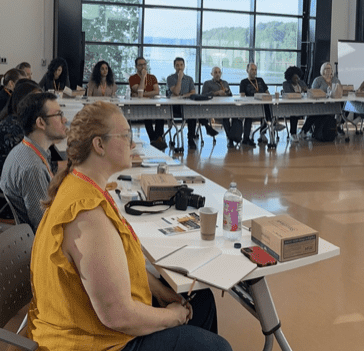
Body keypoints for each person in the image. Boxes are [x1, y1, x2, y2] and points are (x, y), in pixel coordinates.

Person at [26, 102, 227, 351]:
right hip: (95, 342)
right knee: (217, 347)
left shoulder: (81, 184)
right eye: (125, 136)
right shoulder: (88, 217)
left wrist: (163, 293)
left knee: (202, 300)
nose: (133, 144)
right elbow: (117, 316)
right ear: (99, 145)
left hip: (97, 322)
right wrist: (173, 317)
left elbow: (117, 269)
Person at [0, 92, 66, 231]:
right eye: (58, 114)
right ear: (40, 123)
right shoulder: (33, 168)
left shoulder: (28, 148)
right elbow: (46, 227)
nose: (64, 120)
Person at [0, 80, 42, 213]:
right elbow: (34, 167)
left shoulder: (12, 120)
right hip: (5, 204)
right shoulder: (16, 132)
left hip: (3, 195)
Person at [129, 57, 166, 147]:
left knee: (160, 114)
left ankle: (158, 138)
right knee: (147, 116)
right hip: (139, 106)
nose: (143, 67)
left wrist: (142, 94)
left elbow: (156, 91)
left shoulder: (152, 77)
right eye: (140, 65)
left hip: (152, 104)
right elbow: (139, 90)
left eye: (144, 64)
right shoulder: (132, 78)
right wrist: (143, 77)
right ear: (136, 66)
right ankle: (154, 139)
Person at [166, 57, 199, 149]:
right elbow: (176, 92)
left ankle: (190, 138)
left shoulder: (189, 79)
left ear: (184, 66)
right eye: (177, 65)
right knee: (189, 113)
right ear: (174, 66)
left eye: (181, 65)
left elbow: (193, 92)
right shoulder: (170, 78)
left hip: (187, 106)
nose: (179, 67)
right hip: (175, 107)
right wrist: (180, 78)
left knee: (192, 114)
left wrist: (183, 95)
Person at [306, 62, 343, 140]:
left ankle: (337, 126)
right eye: (326, 68)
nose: (329, 70)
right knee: (315, 114)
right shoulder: (318, 80)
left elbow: (339, 91)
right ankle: (304, 131)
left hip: (333, 104)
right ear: (322, 70)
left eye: (330, 68)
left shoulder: (336, 80)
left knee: (343, 107)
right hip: (319, 104)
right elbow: (313, 92)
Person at [239, 63, 271, 147]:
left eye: (255, 70)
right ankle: (246, 138)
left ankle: (263, 133)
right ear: (247, 70)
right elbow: (242, 96)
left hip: (262, 104)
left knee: (267, 108)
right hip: (251, 105)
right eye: (252, 70)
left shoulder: (260, 80)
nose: (254, 72)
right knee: (248, 115)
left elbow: (267, 93)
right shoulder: (244, 82)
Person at [201, 66, 234, 144]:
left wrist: (227, 92)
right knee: (225, 116)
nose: (217, 74)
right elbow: (203, 95)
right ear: (211, 74)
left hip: (224, 106)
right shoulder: (207, 83)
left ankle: (230, 138)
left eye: (219, 72)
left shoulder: (225, 83)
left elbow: (230, 96)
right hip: (211, 107)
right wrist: (216, 93)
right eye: (215, 72)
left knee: (227, 116)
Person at [281, 66, 309, 140]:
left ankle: (304, 130)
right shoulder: (286, 84)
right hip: (291, 105)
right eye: (295, 78)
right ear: (290, 78)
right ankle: (293, 133)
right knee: (295, 113)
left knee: (315, 112)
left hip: (303, 104)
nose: (297, 80)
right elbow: (289, 94)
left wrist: (306, 90)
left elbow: (307, 91)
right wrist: (300, 92)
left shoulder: (301, 82)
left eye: (298, 78)